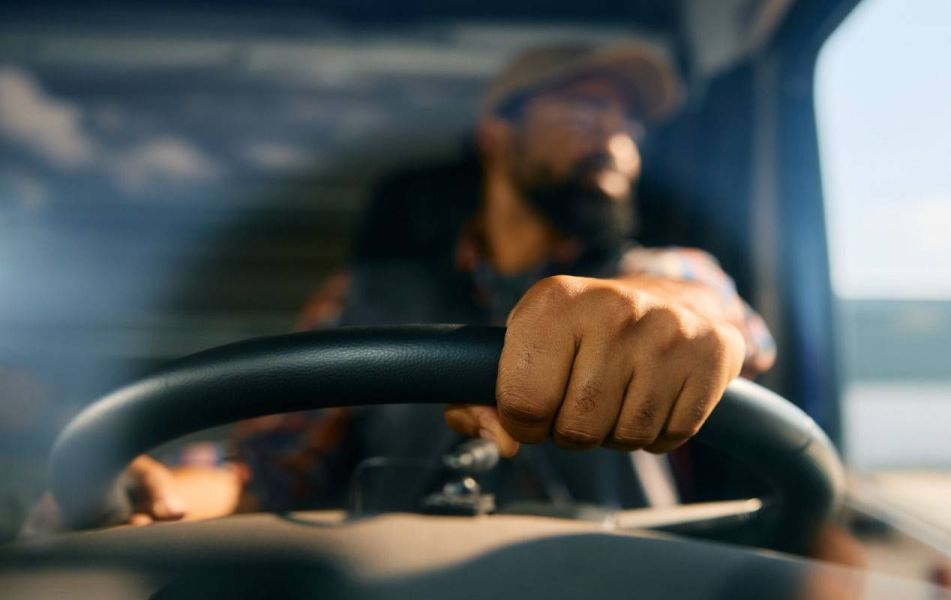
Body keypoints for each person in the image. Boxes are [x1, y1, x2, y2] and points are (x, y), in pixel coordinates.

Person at [29, 41, 779, 529]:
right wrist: (154, 496)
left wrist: (671, 315)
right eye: (586, 106)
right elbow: (262, 474)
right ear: (496, 132)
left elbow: (714, 315)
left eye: (630, 121)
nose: (618, 136)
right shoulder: (360, 298)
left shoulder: (659, 273)